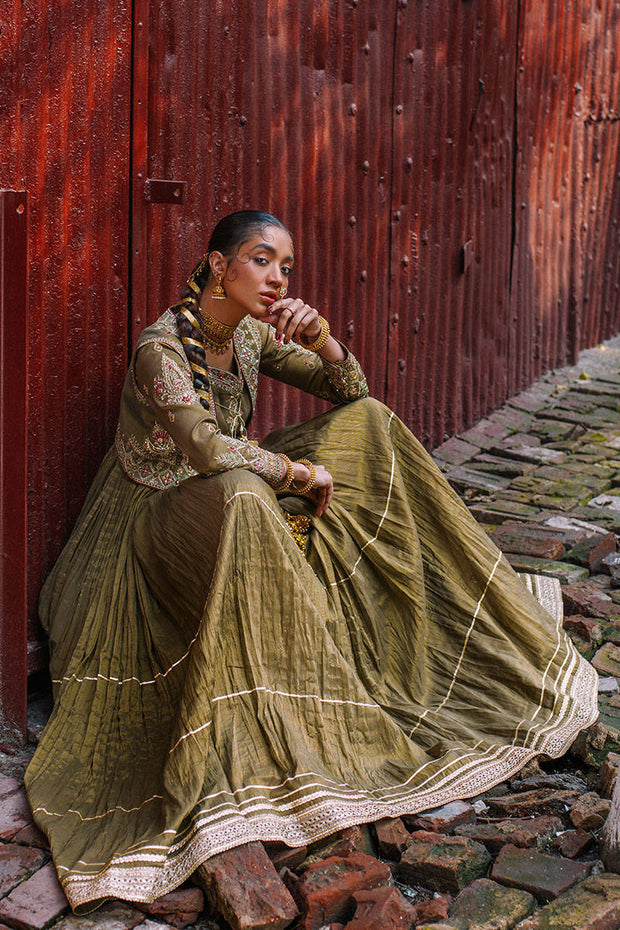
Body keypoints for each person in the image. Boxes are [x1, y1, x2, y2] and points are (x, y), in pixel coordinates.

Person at [25, 210, 598, 914]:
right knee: (241, 489)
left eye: (285, 267)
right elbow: (204, 450)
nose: (276, 279)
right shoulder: (161, 351)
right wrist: (299, 475)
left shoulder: (253, 333)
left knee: (371, 427)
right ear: (215, 266)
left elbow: (352, 392)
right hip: (154, 519)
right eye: (262, 260)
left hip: (231, 494)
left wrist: (322, 338)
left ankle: (403, 613)